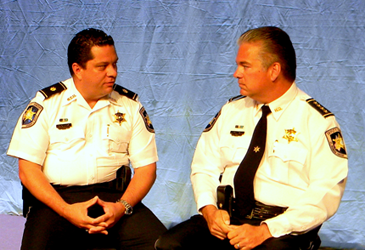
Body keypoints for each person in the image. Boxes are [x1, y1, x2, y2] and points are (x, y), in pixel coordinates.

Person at [155, 26, 348, 250]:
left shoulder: (317, 121)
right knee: (169, 245)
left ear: (274, 70)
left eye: (245, 66)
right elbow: (204, 167)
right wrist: (209, 210)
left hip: (282, 229)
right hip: (228, 218)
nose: (237, 73)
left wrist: (266, 230)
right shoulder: (231, 111)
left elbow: (325, 193)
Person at [7, 28, 166, 250]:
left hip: (115, 200)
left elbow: (147, 169)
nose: (113, 72)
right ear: (78, 69)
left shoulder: (130, 107)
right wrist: (66, 210)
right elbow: (27, 170)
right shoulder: (46, 104)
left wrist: (120, 208)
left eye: (114, 64)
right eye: (102, 66)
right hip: (56, 202)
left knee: (165, 246)